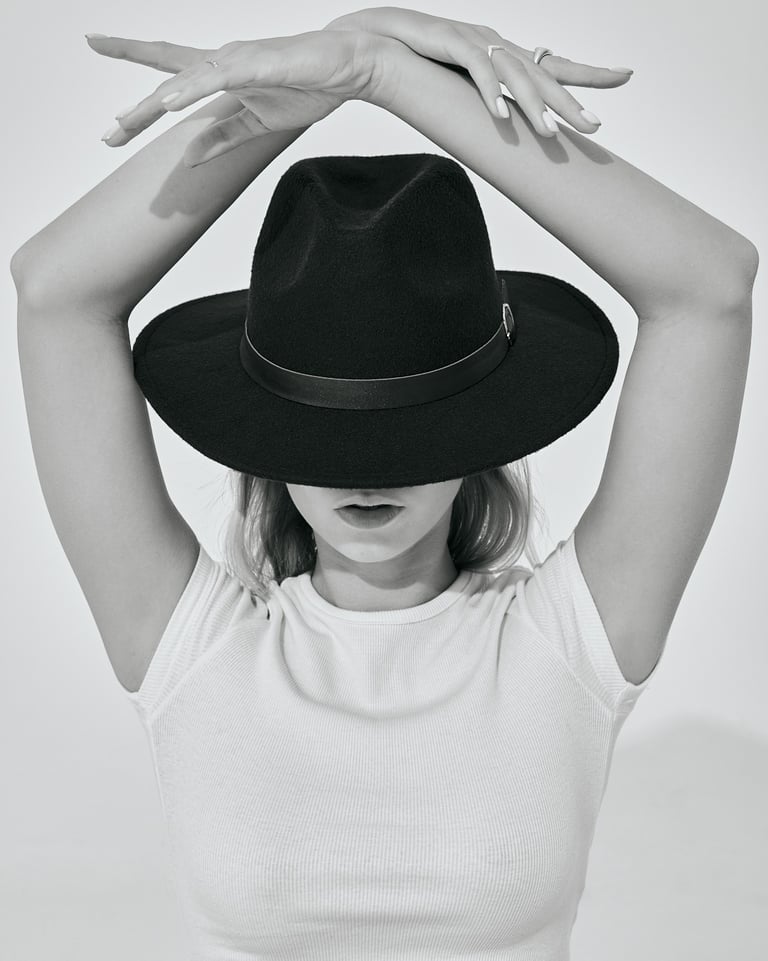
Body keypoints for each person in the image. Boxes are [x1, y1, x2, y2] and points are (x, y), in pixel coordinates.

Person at [12, 9, 757, 959]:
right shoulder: (193, 649)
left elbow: (713, 285)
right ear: (269, 437)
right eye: (328, 429)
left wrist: (386, 71)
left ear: (479, 429)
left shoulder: (566, 643)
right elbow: (52, 291)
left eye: (409, 426)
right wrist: (308, 92)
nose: (368, 472)